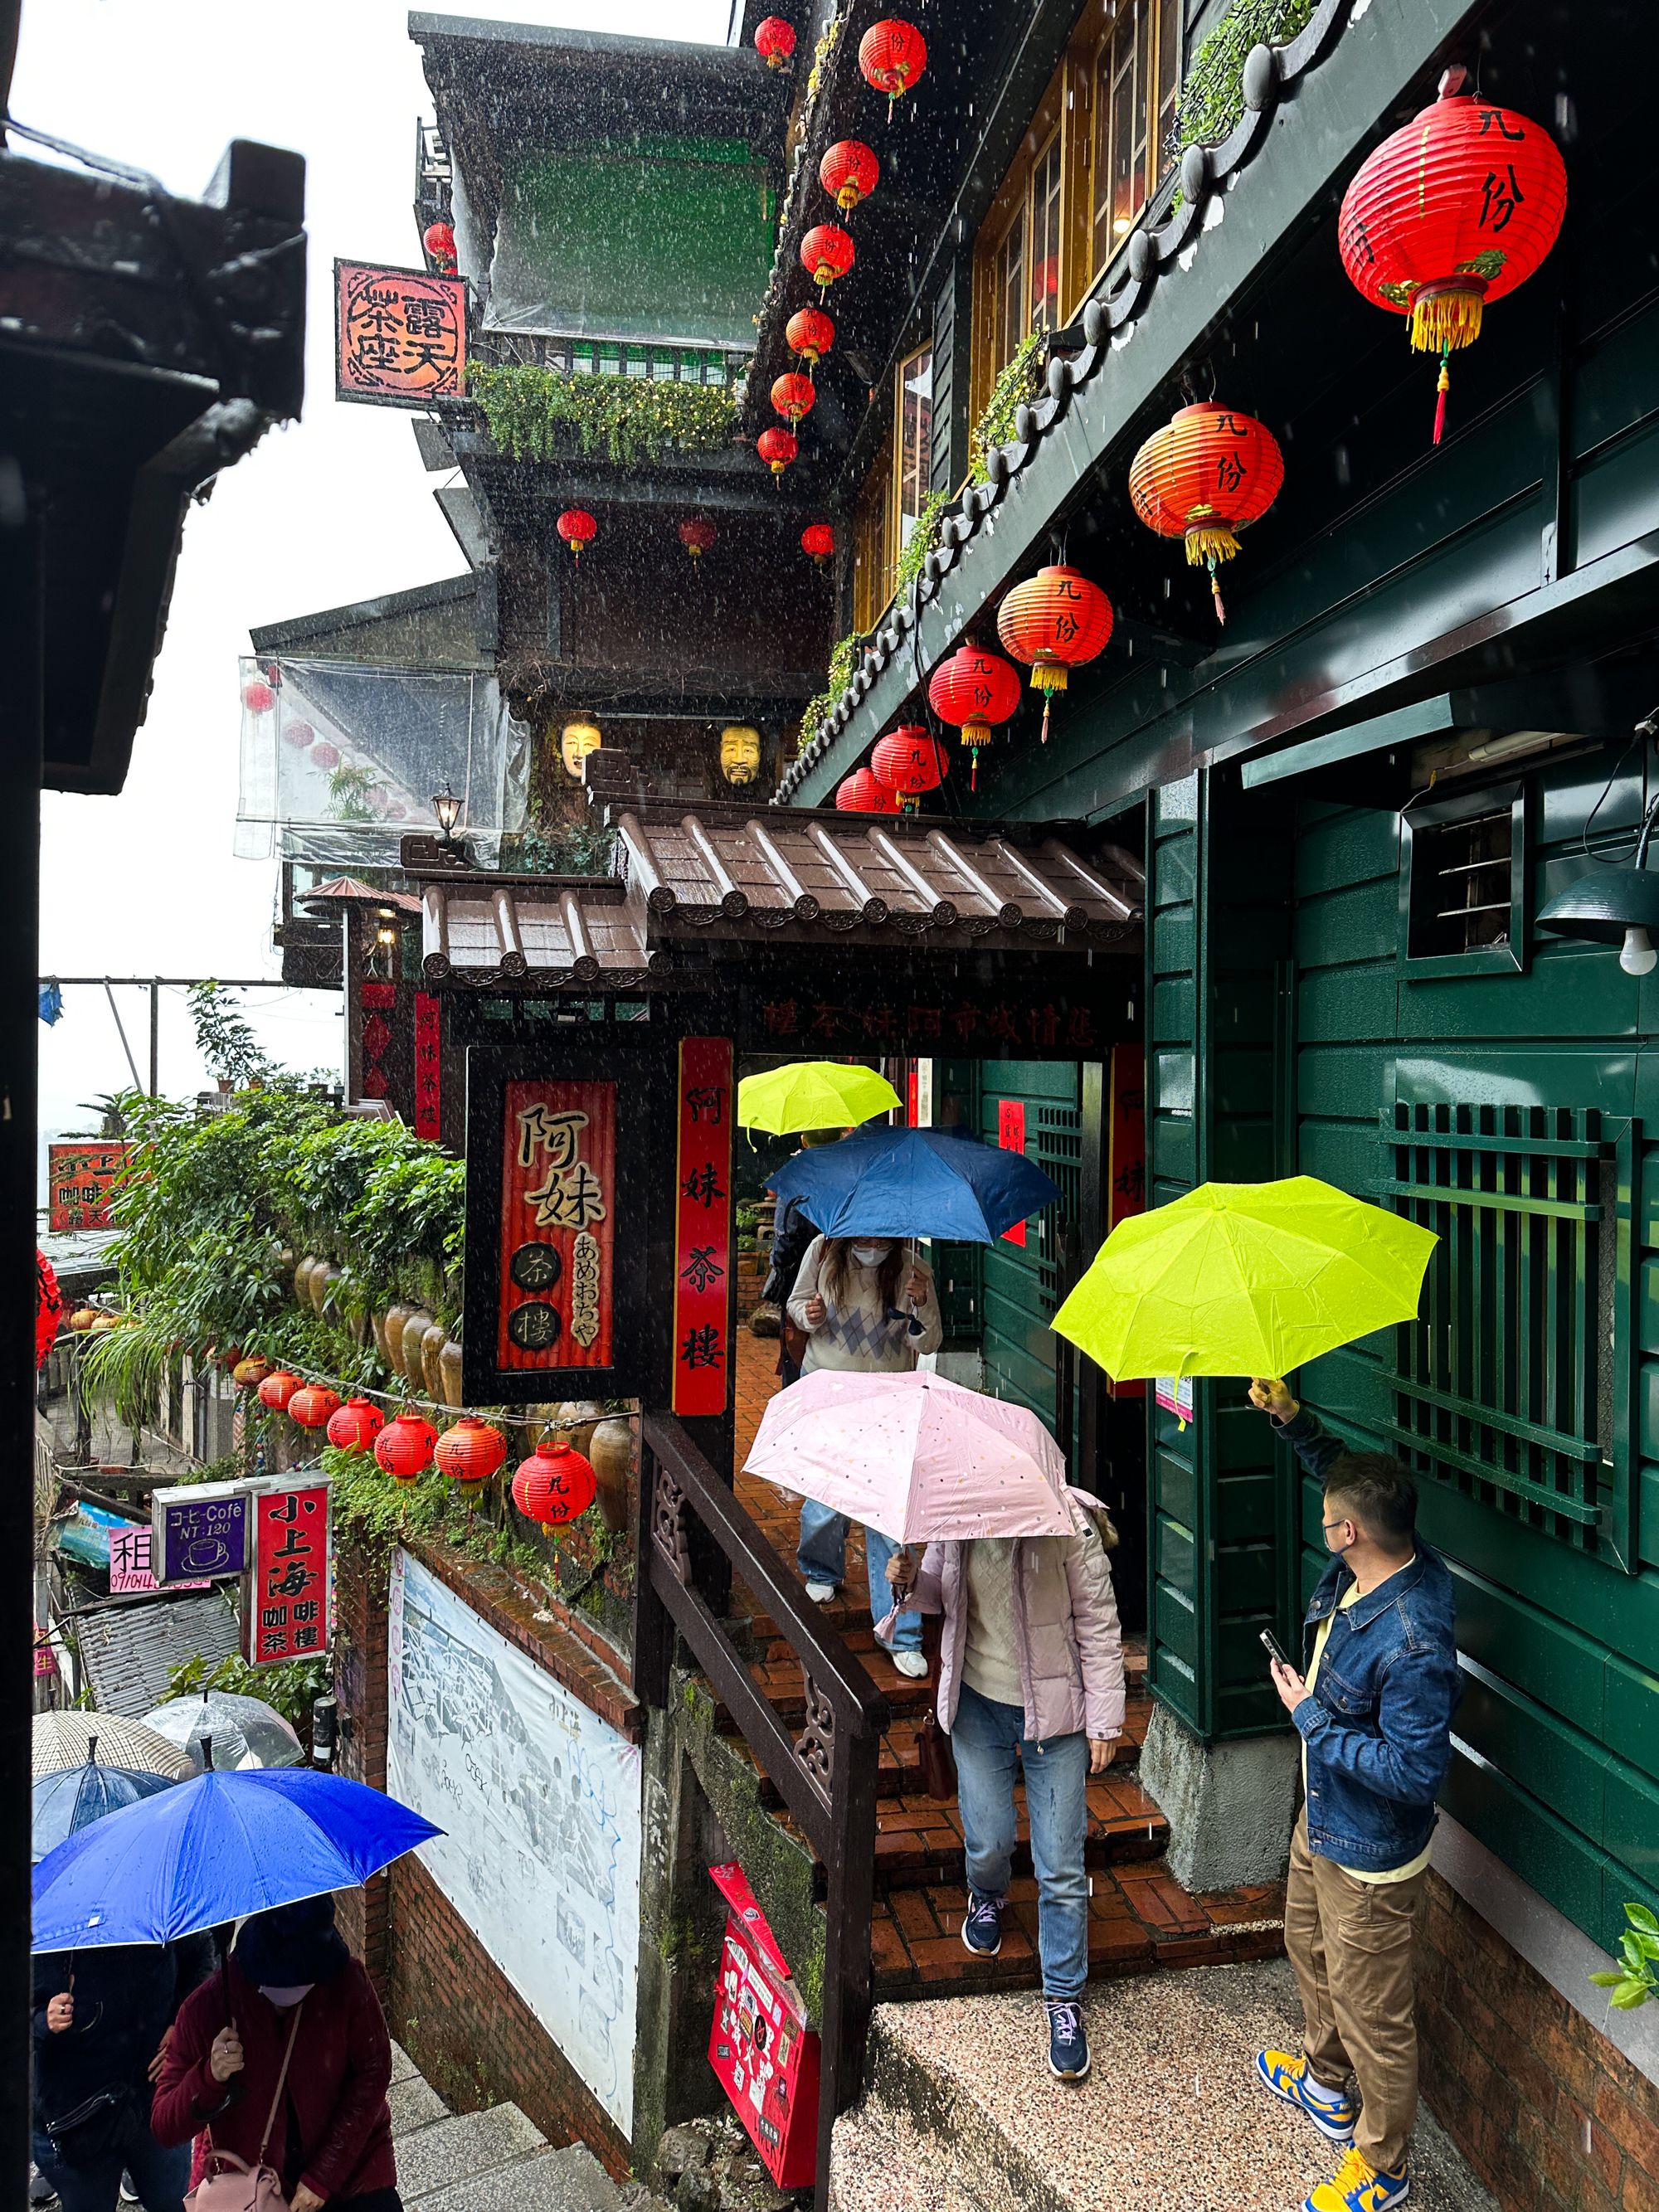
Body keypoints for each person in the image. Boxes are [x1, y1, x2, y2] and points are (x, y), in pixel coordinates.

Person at [1248, 1378, 1461, 2212]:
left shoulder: (1412, 1639)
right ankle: (1324, 2084)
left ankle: (1383, 2167)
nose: (1323, 1519)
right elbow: (1346, 1475)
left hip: (1370, 1854)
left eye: (1328, 1517)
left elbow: (1413, 1772)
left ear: (1348, 1534)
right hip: (1325, 1814)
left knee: (1376, 2015)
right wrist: (1293, 1420)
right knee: (1307, 1946)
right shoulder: (1386, 1548)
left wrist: (1308, 1716)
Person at [887, 1484, 1123, 2083]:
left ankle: (1064, 1997)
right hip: (977, 1705)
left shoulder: (1067, 1521)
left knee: (1060, 1863)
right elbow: (939, 1593)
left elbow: (1099, 1625)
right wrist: (909, 1581)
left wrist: (1105, 1722)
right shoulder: (958, 1509)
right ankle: (987, 1893)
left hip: (1057, 1718)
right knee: (989, 1837)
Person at [153, 1895, 399, 2212]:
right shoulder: (207, 2008)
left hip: (353, 2169)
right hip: (253, 2188)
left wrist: (324, 2175)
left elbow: (373, 2071)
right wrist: (209, 2076)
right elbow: (165, 2124)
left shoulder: (346, 1981)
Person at [786, 1232, 942, 1678]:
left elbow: (929, 1343)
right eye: (863, 1234)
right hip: (829, 1392)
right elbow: (795, 1304)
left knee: (890, 1516)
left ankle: (900, 1631)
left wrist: (922, 1302)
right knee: (826, 1497)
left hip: (889, 1400)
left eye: (880, 1236)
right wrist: (809, 1314)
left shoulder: (914, 1266)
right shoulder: (822, 1251)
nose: (871, 1242)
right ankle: (821, 1570)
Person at [33, 1937, 216, 2212]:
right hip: (83, 2115)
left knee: (174, 2202)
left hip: (154, 2098)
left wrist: (181, 2022)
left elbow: (200, 1956)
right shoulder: (46, 1928)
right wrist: (42, 2020)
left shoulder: (156, 1915)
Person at [761, 1127, 844, 1388]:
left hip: (800, 1277)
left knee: (796, 1346)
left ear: (804, 1140)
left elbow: (785, 1238)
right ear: (839, 1137)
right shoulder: (847, 1174)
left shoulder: (796, 1177)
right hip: (840, 1270)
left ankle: (799, 1398)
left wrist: (780, 1268)